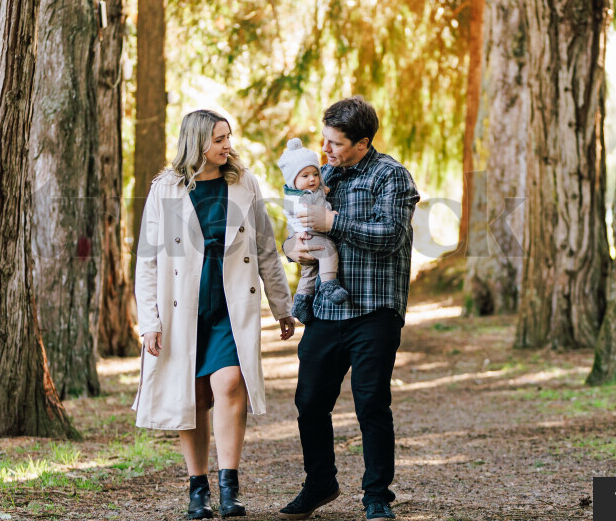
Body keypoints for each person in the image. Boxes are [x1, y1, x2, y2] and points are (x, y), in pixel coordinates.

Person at [133, 109, 296, 519]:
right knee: (194, 395)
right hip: (180, 307)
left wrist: (282, 307)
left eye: (229, 137)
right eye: (220, 138)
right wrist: (149, 322)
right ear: (197, 142)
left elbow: (265, 251)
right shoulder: (166, 189)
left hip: (230, 303)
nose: (228, 145)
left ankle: (230, 486)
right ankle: (197, 488)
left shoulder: (244, 184)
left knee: (229, 383)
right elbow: (148, 260)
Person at [277, 96, 420, 521]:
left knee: (370, 402)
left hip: (375, 309)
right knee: (309, 401)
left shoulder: (391, 176)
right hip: (327, 309)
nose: (326, 151)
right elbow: (296, 236)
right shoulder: (319, 177)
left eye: (336, 144)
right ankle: (320, 482)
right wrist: (296, 248)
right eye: (324, 141)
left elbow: (390, 236)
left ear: (362, 142)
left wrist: (332, 224)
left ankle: (377, 496)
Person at [277, 137, 349, 324]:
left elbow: (319, 194)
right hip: (308, 234)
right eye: (305, 176)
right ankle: (329, 285)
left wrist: (323, 190)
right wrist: (329, 215)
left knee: (309, 271)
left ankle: (301, 302)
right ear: (293, 180)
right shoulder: (296, 198)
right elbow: (302, 215)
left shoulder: (313, 190)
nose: (312, 179)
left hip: (310, 235)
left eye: (315, 174)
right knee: (328, 249)